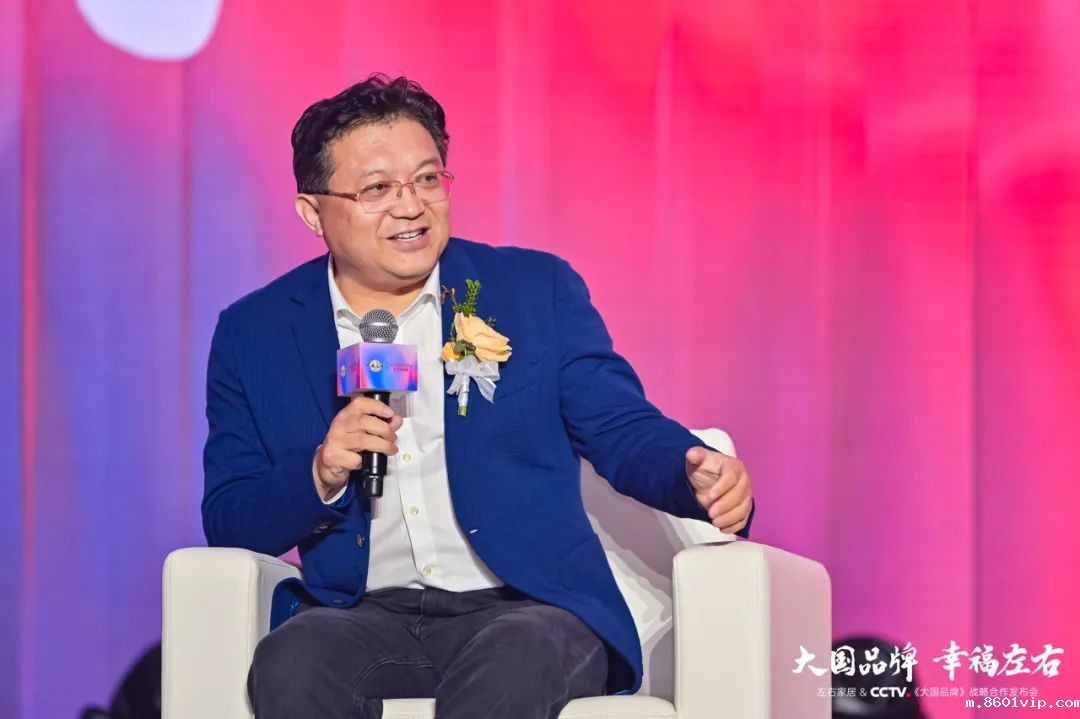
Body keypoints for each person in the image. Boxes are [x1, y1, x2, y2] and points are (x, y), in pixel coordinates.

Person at [202, 73, 755, 719]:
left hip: (528, 607)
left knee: (515, 660)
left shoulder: (530, 290)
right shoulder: (255, 332)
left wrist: (691, 473)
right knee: (291, 660)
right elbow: (231, 518)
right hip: (366, 614)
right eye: (377, 189)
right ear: (312, 212)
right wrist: (320, 472)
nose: (411, 206)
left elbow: (620, 426)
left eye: (427, 179)